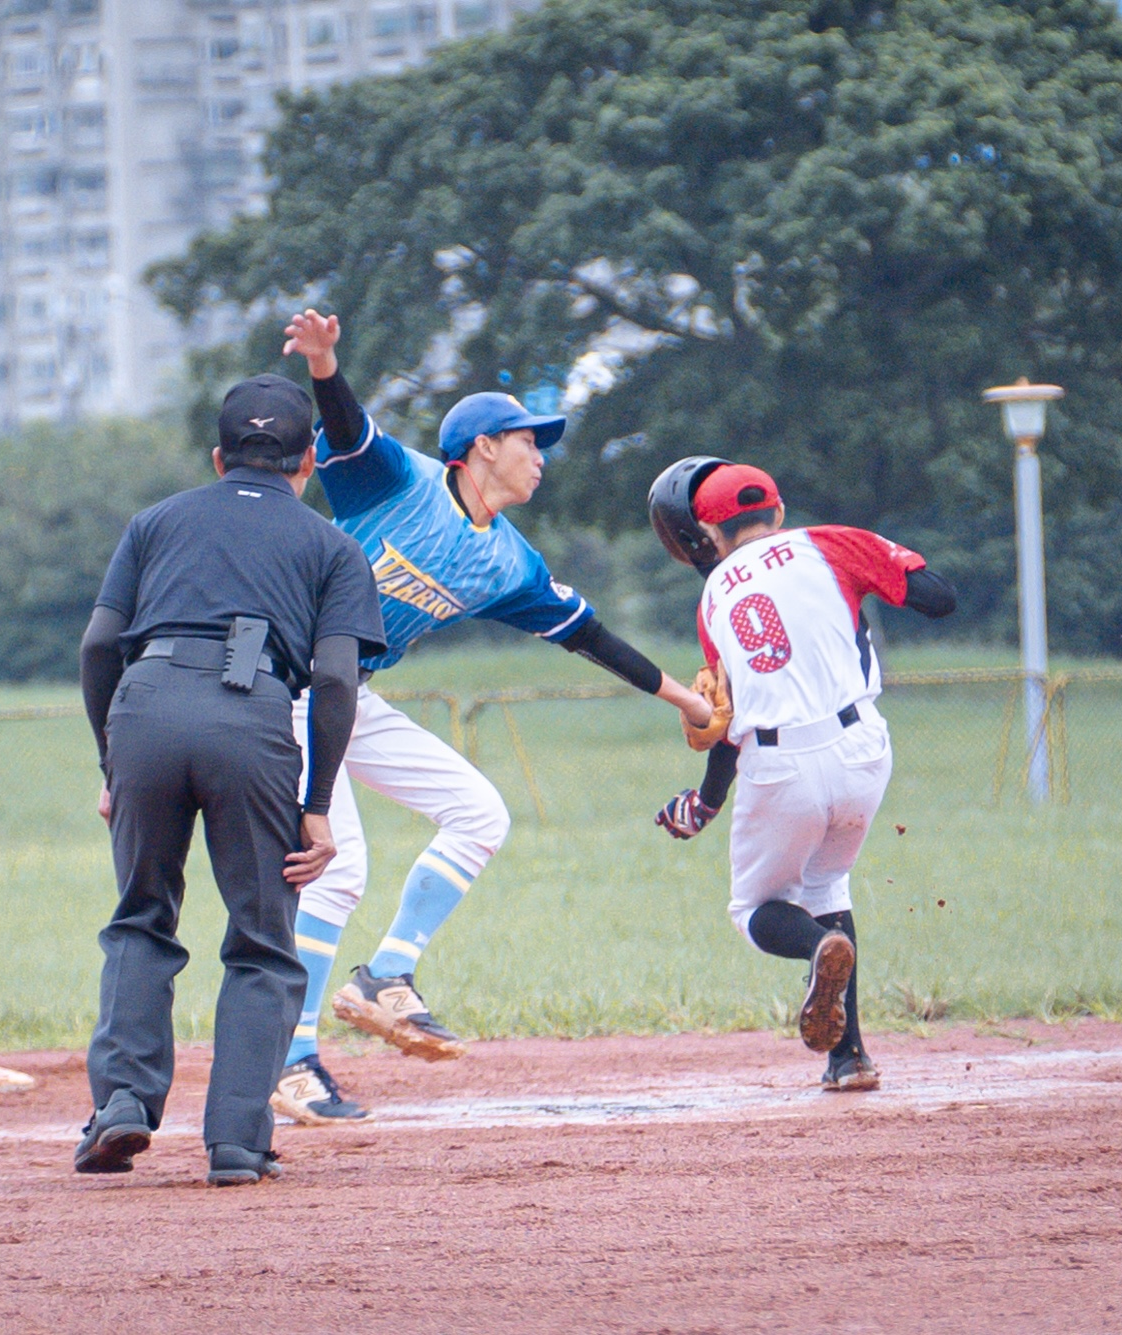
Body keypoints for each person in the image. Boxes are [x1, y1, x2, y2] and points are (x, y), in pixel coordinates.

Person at [267, 310, 717, 1128]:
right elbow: (347, 430)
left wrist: (683, 699)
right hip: (284, 682)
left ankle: (384, 979)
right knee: (342, 865)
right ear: (480, 448)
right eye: (525, 440)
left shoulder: (509, 560)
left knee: (478, 813)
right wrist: (327, 363)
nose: (538, 456)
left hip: (348, 692)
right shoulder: (399, 480)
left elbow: (589, 637)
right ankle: (290, 1061)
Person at [74, 374, 386, 1186]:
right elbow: (338, 681)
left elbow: (98, 648)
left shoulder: (154, 522)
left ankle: (122, 1105)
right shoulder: (332, 546)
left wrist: (114, 762)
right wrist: (316, 807)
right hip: (249, 714)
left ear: (218, 457)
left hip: (143, 706)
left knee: (141, 918)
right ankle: (238, 1143)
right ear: (308, 459)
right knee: (259, 939)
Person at [647, 457, 957, 1092]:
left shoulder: (714, 598)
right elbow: (938, 599)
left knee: (756, 909)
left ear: (707, 537)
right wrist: (878, 575)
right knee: (827, 884)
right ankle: (848, 1059)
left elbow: (729, 726)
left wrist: (705, 804)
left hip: (780, 762)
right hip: (864, 749)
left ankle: (818, 951)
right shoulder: (831, 544)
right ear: (778, 513)